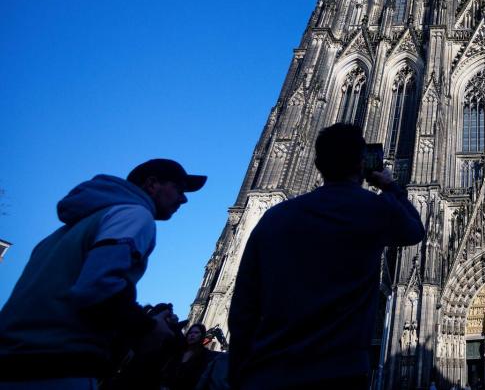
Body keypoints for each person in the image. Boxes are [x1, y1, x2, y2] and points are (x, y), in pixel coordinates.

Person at [228, 123, 425, 389]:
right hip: (338, 372)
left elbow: (243, 307)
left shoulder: (274, 217)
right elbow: (415, 230)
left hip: (270, 371)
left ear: (318, 164)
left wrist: (239, 372)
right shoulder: (372, 210)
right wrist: (390, 187)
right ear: (361, 164)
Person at [0, 159, 205, 388]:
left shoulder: (70, 229)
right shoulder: (135, 216)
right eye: (178, 189)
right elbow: (98, 286)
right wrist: (148, 328)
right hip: (58, 365)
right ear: (152, 184)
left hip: (13, 359)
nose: (183, 198)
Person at [162, 323, 216, 390]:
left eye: (196, 333)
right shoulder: (179, 352)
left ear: (202, 335)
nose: (192, 335)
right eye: (190, 333)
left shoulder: (205, 355)